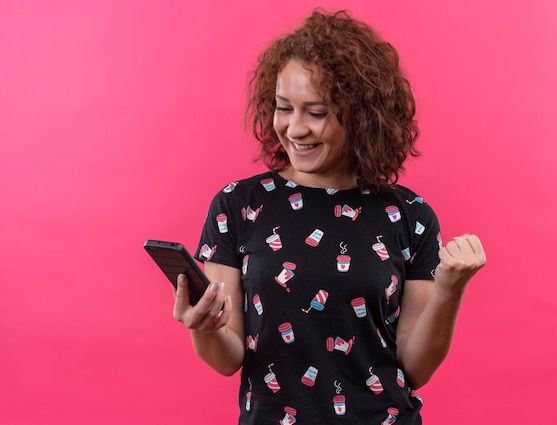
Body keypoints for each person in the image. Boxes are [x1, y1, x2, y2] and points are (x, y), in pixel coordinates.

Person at [173, 9, 486, 425]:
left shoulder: (409, 216)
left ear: (361, 116)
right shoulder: (238, 205)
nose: (294, 129)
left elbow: (414, 368)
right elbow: (228, 358)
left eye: (316, 113)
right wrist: (205, 327)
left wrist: (450, 290)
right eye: (283, 108)